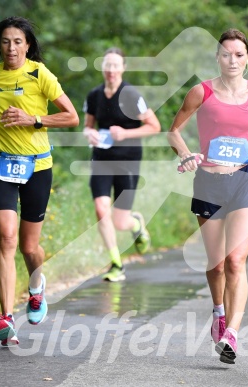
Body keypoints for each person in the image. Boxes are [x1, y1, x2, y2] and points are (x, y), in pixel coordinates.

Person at [168, 28, 248, 364]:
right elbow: (174, 132)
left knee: (235, 261)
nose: (232, 60)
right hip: (209, 183)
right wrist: (186, 154)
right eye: (226, 54)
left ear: (247, 58)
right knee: (215, 265)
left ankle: (232, 333)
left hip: (244, 180)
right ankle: (219, 312)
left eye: (239, 55)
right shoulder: (201, 92)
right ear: (218, 57)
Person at [0, 16, 79, 346]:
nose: (12, 47)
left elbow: (71, 116)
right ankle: (6, 317)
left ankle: (36, 287)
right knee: (6, 237)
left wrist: (33, 119)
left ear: (28, 45)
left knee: (29, 247)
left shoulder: (38, 73)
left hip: (37, 167)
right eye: (5, 41)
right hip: (0, 164)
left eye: (18, 41)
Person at [82, 47, 161, 282]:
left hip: (127, 160)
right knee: (100, 210)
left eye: (115, 65)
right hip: (102, 159)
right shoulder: (94, 96)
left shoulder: (131, 95)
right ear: (102, 68)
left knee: (120, 221)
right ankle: (116, 264)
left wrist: (124, 134)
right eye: (107, 65)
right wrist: (90, 134)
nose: (111, 70)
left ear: (123, 68)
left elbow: (154, 126)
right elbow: (88, 126)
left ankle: (135, 223)